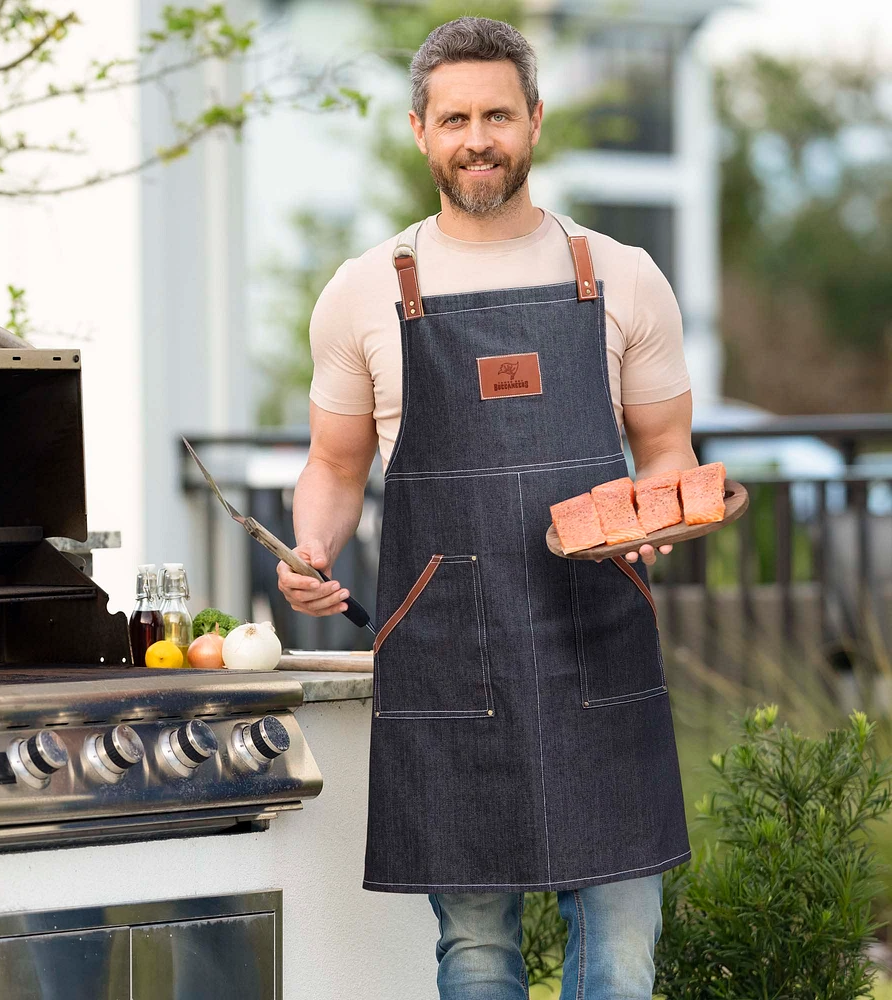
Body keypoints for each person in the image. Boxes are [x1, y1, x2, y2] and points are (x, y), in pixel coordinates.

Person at [277, 16, 695, 999]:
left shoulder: (619, 274)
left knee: (623, 952)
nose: (478, 138)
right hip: (446, 653)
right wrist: (310, 544)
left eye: (498, 115)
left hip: (599, 634)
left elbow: (669, 451)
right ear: (419, 130)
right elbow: (334, 465)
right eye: (456, 117)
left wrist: (659, 517)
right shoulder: (364, 291)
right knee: (472, 954)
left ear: (535, 122)